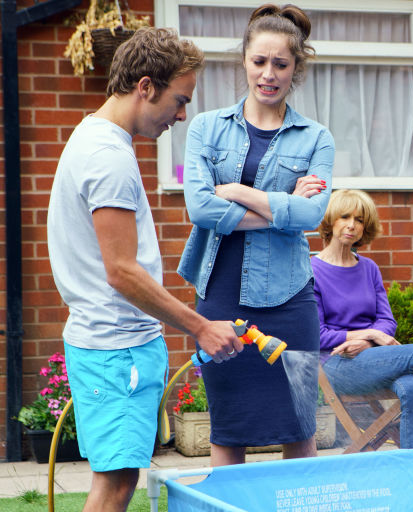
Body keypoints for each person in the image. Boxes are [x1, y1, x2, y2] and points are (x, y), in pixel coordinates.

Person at [47, 28, 240, 512]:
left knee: (118, 480)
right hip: (117, 350)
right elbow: (121, 272)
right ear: (146, 86)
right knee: (114, 487)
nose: (182, 115)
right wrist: (201, 327)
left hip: (114, 347)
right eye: (179, 100)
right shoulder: (108, 157)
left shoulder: (95, 136)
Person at [177, 4, 334, 466]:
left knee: (299, 427)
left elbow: (313, 213)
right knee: (228, 429)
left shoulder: (315, 138)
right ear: (244, 60)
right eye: (259, 61)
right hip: (221, 296)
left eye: (281, 64)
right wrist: (280, 208)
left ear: (295, 68)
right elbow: (200, 207)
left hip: (291, 300)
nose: (268, 74)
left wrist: (240, 192)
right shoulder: (206, 128)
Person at [311, 189, 413, 449]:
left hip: (371, 358)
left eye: (360, 220)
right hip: (336, 364)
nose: (352, 225)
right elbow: (317, 334)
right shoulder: (312, 271)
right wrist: (372, 335)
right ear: (330, 221)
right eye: (344, 217)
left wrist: (368, 341)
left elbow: (387, 322)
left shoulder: (369, 268)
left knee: (411, 387)